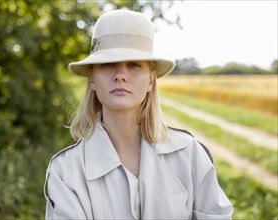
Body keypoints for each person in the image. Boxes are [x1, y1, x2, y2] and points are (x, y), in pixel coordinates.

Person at [44, 10, 233, 219]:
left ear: (151, 80)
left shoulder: (189, 154)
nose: (121, 76)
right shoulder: (65, 171)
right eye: (108, 64)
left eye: (134, 65)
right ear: (92, 79)